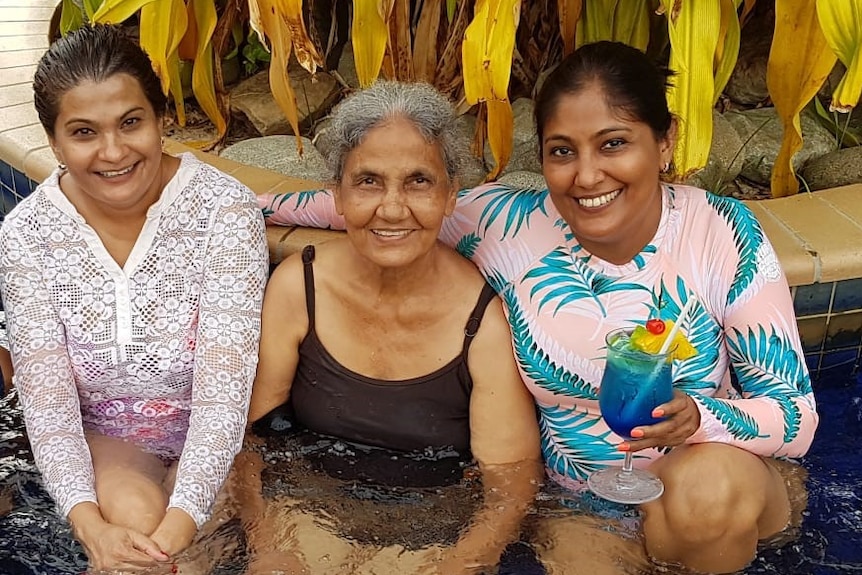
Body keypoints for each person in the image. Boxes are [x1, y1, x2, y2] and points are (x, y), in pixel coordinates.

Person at [258, 41, 819, 574]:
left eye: (614, 143)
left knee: (707, 494)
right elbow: (380, 205)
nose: (587, 174)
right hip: (582, 502)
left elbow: (797, 418)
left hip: (711, 480)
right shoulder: (509, 226)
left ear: (665, 140)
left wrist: (700, 419)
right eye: (562, 151)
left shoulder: (723, 234)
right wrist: (241, 200)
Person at [0, 24, 268, 572]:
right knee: (130, 535)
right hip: (110, 441)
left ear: (161, 118)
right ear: (53, 141)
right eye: (83, 132)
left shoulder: (224, 213)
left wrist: (176, 531)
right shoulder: (27, 234)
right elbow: (48, 405)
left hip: (222, 436)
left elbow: (222, 399)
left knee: (168, 554)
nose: (113, 152)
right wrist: (90, 526)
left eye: (130, 122)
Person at [246, 81, 542, 574]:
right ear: (337, 195)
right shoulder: (300, 286)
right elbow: (250, 442)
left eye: (418, 181)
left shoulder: (482, 323)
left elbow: (509, 487)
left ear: (450, 196)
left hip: (435, 533)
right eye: (368, 181)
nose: (391, 207)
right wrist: (268, 545)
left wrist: (464, 563)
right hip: (308, 517)